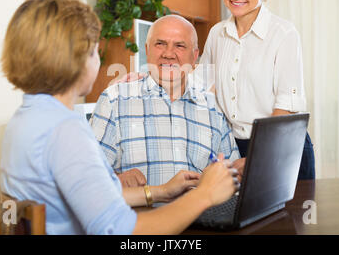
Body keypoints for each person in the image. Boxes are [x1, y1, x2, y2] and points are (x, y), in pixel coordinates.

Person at [0, 0, 238, 235]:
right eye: (94, 51)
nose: (98, 61)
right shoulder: (66, 129)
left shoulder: (27, 117)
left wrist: (161, 191)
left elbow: (93, 195)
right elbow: (121, 230)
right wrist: (205, 195)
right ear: (73, 59)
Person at [198, 0, 315, 180]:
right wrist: (146, 78)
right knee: (238, 216)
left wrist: (257, 156)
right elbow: (201, 86)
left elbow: (286, 107)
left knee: (287, 216)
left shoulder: (284, 34)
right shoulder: (216, 34)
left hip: (281, 146)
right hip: (234, 148)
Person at [90, 15, 243, 187]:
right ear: (147, 50)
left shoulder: (212, 108)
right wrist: (117, 181)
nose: (168, 54)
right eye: (160, 44)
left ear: (194, 57)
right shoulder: (114, 100)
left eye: (179, 46)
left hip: (202, 212)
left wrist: (234, 173)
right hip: (143, 212)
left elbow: (232, 177)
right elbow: (89, 179)